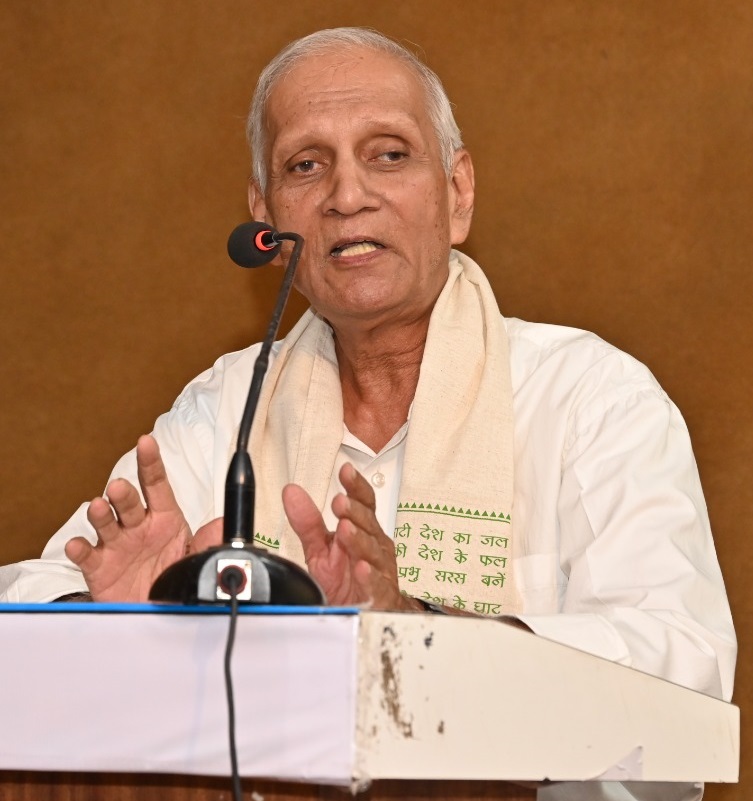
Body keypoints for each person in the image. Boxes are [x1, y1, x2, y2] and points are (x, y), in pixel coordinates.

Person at [0, 27, 735, 800]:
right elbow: (28, 597)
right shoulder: (227, 409)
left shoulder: (589, 396)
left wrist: (419, 636)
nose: (347, 195)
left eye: (388, 154)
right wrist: (123, 621)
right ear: (266, 216)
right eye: (305, 165)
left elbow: (682, 669)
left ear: (457, 193)